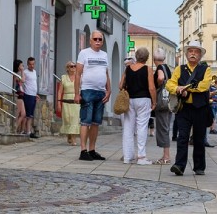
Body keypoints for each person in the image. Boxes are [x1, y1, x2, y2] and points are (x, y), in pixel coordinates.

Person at [166, 40, 212, 176]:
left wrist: (187, 89)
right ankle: (179, 165)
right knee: (182, 137)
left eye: (196, 52)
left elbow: (204, 86)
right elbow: (169, 84)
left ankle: (199, 167)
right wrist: (177, 89)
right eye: (190, 51)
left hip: (200, 108)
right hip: (184, 108)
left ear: (200, 55)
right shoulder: (179, 69)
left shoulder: (206, 70)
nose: (193, 54)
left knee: (199, 138)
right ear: (186, 54)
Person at [74, 32, 111, 161]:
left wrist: (109, 90)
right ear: (90, 40)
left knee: (96, 122)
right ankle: (83, 150)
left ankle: (92, 149)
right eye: (95, 39)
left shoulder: (104, 55)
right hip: (87, 91)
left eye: (100, 39)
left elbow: (106, 73)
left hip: (100, 92)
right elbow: (78, 74)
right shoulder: (84, 53)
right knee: (86, 121)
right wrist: (77, 93)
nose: (97, 41)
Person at [120, 47, 156, 165]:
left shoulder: (128, 69)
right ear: (147, 58)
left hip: (130, 99)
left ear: (136, 56)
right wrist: (154, 101)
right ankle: (141, 157)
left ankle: (127, 156)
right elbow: (151, 87)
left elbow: (120, 85)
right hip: (144, 99)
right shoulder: (148, 69)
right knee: (142, 127)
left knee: (128, 128)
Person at [152, 48, 173, 165]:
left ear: (154, 59)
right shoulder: (167, 68)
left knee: (163, 128)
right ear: (164, 58)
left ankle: (166, 156)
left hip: (162, 103)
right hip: (168, 102)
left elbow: (160, 78)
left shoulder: (160, 68)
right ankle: (166, 155)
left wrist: (158, 86)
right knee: (166, 127)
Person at [57, 61, 80, 145]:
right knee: (67, 118)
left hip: (75, 99)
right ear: (67, 68)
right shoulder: (63, 77)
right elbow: (60, 91)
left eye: (74, 66)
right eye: (71, 66)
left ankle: (74, 139)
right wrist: (59, 103)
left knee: (74, 118)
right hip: (66, 99)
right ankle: (69, 135)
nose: (73, 68)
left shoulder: (78, 77)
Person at [22, 57, 40, 138]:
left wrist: (36, 94)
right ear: (27, 64)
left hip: (33, 95)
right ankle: (26, 131)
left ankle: (28, 131)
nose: (32, 66)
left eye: (33, 64)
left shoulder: (35, 72)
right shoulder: (25, 72)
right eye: (30, 64)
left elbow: (33, 84)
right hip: (28, 94)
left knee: (31, 115)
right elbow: (22, 81)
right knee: (28, 114)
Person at [12, 59, 27, 134]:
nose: (23, 66)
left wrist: (22, 71)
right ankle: (14, 129)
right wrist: (22, 71)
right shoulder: (16, 74)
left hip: (21, 95)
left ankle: (16, 128)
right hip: (18, 96)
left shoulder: (18, 74)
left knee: (23, 114)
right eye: (21, 65)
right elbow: (23, 80)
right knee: (19, 114)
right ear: (18, 66)